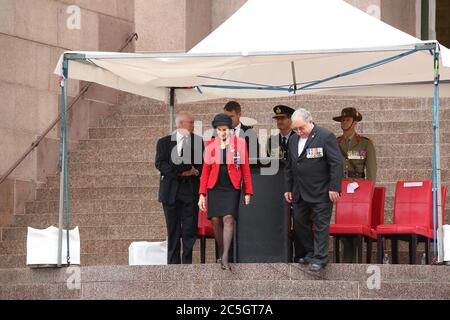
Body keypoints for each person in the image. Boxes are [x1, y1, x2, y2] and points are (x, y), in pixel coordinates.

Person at [284, 108, 343, 272]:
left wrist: (334, 187)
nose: (298, 131)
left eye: (301, 127)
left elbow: (336, 163)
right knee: (299, 222)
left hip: (321, 191)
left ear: (310, 121)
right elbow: (290, 166)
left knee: (321, 225)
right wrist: (288, 187)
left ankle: (320, 258)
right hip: (300, 192)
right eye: (295, 129)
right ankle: (311, 251)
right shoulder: (293, 140)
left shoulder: (325, 136)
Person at [198, 113, 253, 270]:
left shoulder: (240, 143)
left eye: (225, 129)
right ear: (216, 130)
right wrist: (202, 194)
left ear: (231, 130)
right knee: (215, 220)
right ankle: (222, 250)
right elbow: (205, 172)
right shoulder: (210, 145)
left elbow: (246, 169)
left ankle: (225, 256)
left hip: (231, 187)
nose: (223, 132)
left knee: (228, 218)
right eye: (220, 129)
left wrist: (248, 191)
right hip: (214, 187)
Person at [155, 111, 204, 264]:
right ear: (181, 124)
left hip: (190, 191)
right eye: (191, 122)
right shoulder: (163, 142)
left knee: (189, 228)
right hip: (171, 191)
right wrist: (181, 173)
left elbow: (201, 164)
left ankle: (187, 261)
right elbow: (160, 163)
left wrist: (194, 171)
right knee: (173, 228)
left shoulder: (197, 141)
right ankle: (173, 262)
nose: (193, 125)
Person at [333, 107, 377, 263]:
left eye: (347, 120)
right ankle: (346, 263)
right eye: (342, 120)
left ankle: (356, 263)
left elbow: (371, 172)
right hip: (341, 188)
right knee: (344, 229)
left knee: (357, 229)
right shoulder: (335, 142)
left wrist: (368, 195)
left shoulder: (365, 143)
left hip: (359, 189)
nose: (344, 122)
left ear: (355, 122)